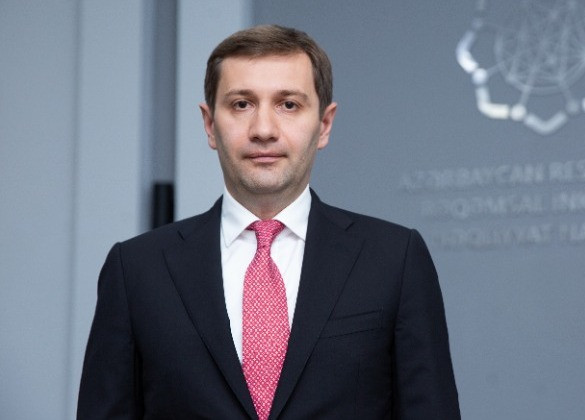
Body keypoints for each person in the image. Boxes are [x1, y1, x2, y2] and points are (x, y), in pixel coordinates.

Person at [77, 25, 460, 419]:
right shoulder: (136, 270)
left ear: (324, 124)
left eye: (288, 105)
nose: (263, 130)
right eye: (241, 104)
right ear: (209, 124)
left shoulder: (394, 260)